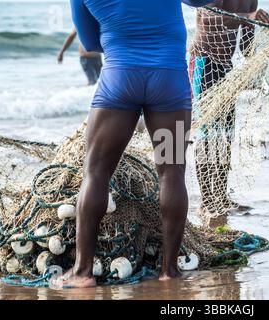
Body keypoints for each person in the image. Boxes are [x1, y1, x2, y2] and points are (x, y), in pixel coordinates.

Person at [52, 0, 212, 288]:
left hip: (120, 81)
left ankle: (82, 271)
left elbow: (89, 42)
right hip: (169, 85)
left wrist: (123, 32)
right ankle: (169, 270)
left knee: (97, 173)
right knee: (172, 172)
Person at [189, 0, 269, 220]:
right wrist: (249, 17)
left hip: (226, 68)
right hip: (203, 62)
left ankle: (222, 196)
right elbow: (211, 18)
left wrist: (265, 43)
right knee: (206, 136)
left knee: (225, 136)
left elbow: (245, 45)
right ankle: (207, 201)